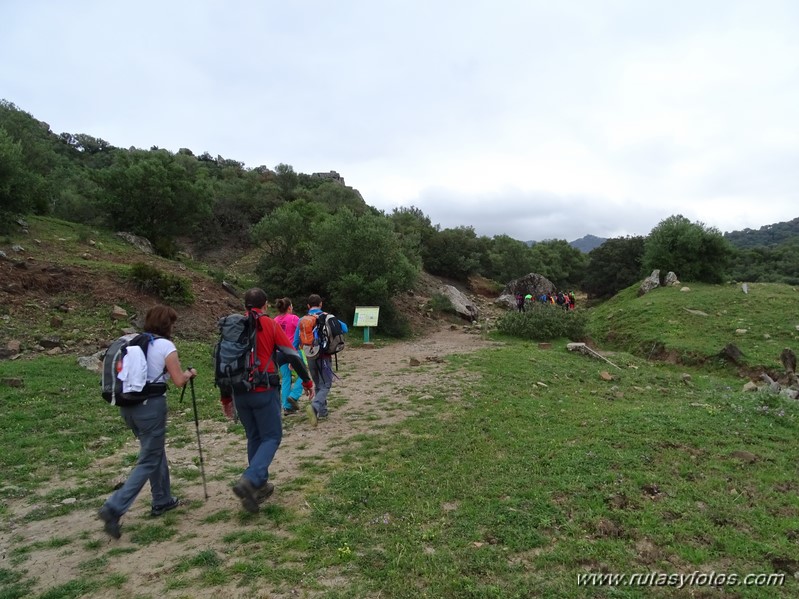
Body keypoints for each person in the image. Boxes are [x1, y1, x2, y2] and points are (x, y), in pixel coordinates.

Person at [98, 305, 197, 539]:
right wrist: (189, 374)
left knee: (154, 451)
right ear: (167, 324)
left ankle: (162, 499)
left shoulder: (131, 341)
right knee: (149, 458)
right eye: (172, 323)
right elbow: (178, 380)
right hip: (151, 407)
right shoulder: (165, 346)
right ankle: (114, 507)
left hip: (128, 407)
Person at [231, 288, 314, 513]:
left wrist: (225, 398)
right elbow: (291, 353)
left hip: (239, 391)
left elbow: (225, 360)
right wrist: (306, 381)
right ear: (265, 305)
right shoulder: (269, 324)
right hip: (263, 388)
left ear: (245, 305)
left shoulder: (234, 325)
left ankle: (258, 487)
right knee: (272, 436)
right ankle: (250, 479)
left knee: (255, 436)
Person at [295, 294, 349, 426]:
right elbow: (345, 328)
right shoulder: (327, 316)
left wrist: (294, 359)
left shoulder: (302, 320)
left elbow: (296, 341)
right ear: (320, 304)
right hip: (324, 356)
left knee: (318, 383)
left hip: (309, 355)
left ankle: (323, 412)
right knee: (327, 384)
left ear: (308, 306)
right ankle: (315, 406)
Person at [273, 297, 305, 415]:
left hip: (279, 353)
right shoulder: (294, 318)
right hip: (292, 351)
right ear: (289, 307)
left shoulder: (275, 320)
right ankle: (294, 395)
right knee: (303, 374)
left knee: (286, 378)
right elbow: (300, 334)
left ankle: (286, 407)